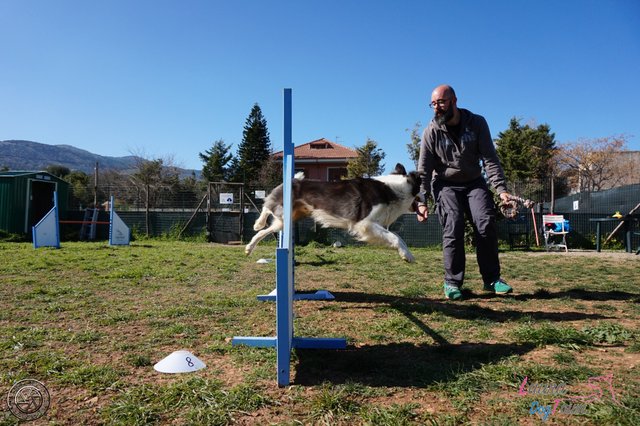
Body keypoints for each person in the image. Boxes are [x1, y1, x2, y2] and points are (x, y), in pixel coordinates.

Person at [416, 84, 513, 300]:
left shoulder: (477, 123)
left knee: (485, 223)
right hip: (445, 184)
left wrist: (501, 190)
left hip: (474, 182)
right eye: (433, 104)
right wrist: (420, 200)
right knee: (454, 223)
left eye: (441, 102)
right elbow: (423, 170)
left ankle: (492, 280)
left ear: (454, 101)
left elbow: (490, 159)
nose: (436, 108)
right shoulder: (431, 132)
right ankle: (452, 283)